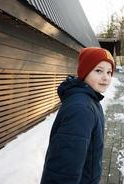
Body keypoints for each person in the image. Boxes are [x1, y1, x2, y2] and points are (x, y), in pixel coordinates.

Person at [40, 47, 115, 184]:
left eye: (109, 72)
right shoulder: (81, 108)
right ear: (84, 72)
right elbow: (63, 169)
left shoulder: (90, 99)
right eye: (98, 71)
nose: (106, 77)